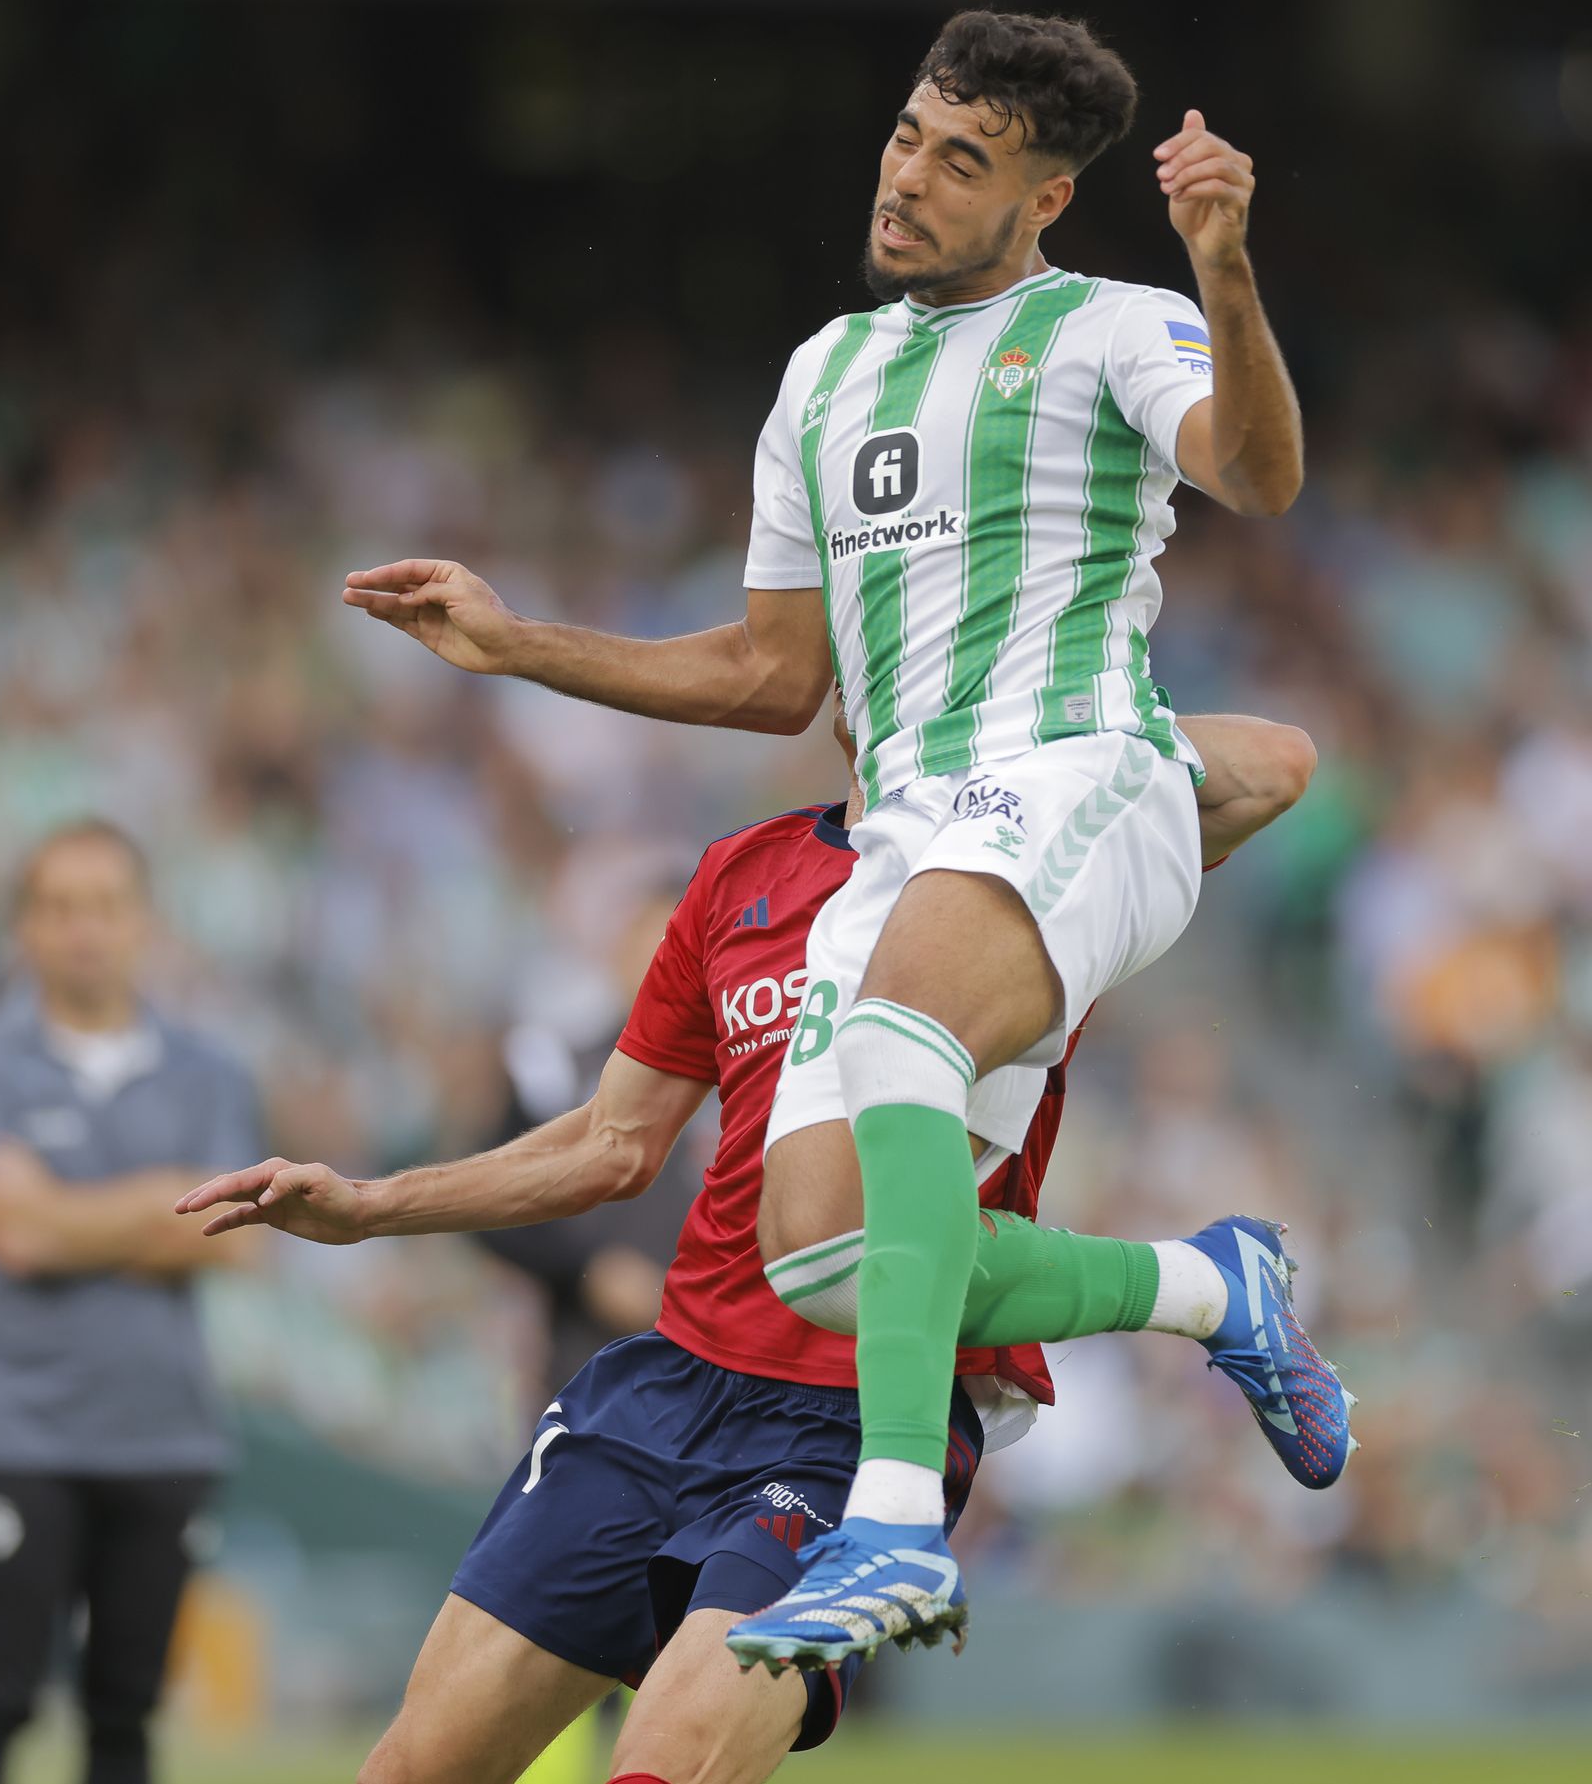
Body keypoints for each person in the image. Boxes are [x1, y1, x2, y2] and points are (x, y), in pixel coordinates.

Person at [337, 8, 1332, 1670]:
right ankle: (1210, 1286)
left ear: (1046, 203)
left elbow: (1260, 471)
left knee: (894, 1034)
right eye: (906, 137)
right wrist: (521, 644)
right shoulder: (825, 374)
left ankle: (887, 1522)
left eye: (963, 162)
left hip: (1068, 758)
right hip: (911, 825)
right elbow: (771, 674)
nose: (909, 180)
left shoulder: (1108, 326)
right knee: (822, 1244)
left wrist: (1226, 268)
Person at [177, 705, 1333, 1784]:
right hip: (667, 1381)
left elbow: (1273, 768)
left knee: (660, 1762)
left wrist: (1059, 702)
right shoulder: (741, 873)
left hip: (849, 1415)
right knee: (413, 1766)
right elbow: (611, 1142)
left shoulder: (1044, 861)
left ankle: (1198, 1287)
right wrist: (372, 1205)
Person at [0, 821, 262, 1784]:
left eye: (105, 904)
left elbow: (232, 1237)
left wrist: (62, 1213)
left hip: (164, 1436)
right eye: (60, 906)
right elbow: (11, 1232)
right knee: (0, 1700)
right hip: (16, 1435)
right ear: (26, 924)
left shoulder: (211, 1069)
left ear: (142, 920)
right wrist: (159, 1200)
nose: (84, 930)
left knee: (126, 1719)